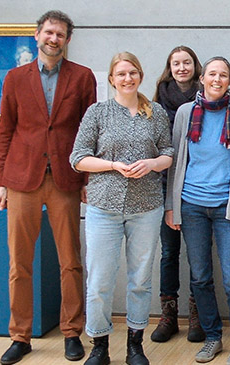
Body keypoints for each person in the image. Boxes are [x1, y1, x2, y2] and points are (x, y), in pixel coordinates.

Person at [0, 10, 96, 365]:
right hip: (22, 178)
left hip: (65, 179)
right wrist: (1, 182)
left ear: (67, 40)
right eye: (49, 33)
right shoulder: (15, 78)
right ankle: (20, 336)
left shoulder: (83, 77)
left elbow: (90, 132)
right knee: (18, 263)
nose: (54, 39)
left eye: (61, 34)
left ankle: (72, 331)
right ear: (37, 35)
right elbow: (5, 129)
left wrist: (87, 178)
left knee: (71, 260)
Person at [70, 51, 173, 365]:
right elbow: (78, 158)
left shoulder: (155, 112)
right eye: (121, 74)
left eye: (133, 73)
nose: (127, 78)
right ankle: (99, 345)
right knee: (99, 280)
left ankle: (135, 345)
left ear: (140, 75)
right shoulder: (97, 113)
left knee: (140, 280)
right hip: (104, 207)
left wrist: (154, 163)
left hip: (146, 207)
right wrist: (112, 164)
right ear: (112, 79)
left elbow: (168, 151)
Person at [165, 56, 230, 364]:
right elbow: (176, 161)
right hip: (191, 206)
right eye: (212, 74)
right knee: (201, 276)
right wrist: (171, 207)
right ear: (202, 78)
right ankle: (213, 336)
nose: (217, 79)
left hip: (228, 208)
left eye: (224, 75)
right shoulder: (185, 112)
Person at [150, 45, 206, 344]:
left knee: (198, 255)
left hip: (196, 186)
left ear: (195, 66)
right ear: (169, 68)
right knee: (169, 252)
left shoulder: (207, 96)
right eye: (176, 63)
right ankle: (169, 315)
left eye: (187, 62)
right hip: (164, 185)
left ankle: (197, 314)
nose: (182, 68)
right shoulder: (158, 101)